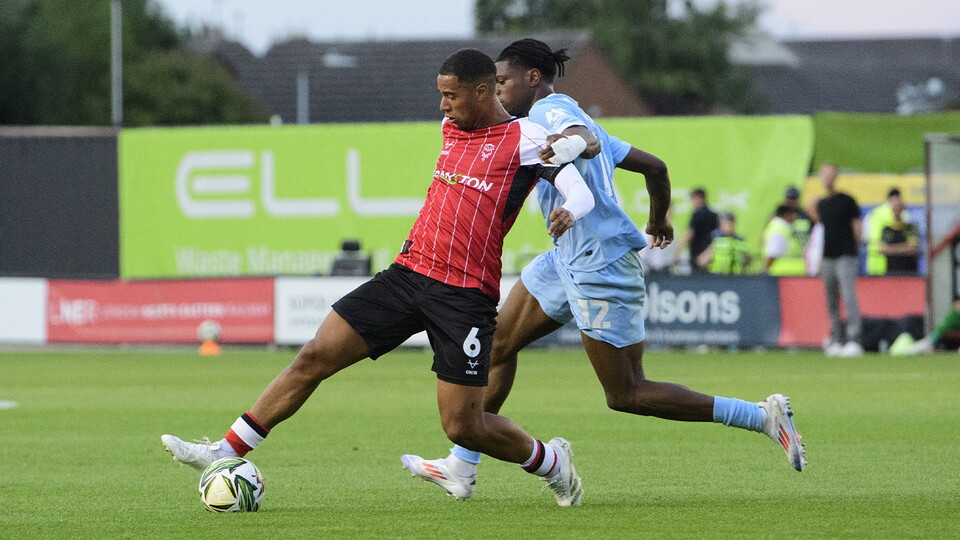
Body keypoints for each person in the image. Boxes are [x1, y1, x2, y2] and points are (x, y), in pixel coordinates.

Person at [160, 48, 597, 507]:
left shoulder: (526, 138)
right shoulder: (452, 129)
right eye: (441, 95)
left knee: (463, 426)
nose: (443, 106)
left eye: (451, 96)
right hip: (407, 274)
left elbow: (579, 181)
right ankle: (224, 450)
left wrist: (569, 207)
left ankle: (552, 462)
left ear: (482, 91)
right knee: (314, 356)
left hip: (463, 295)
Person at [399, 38, 806, 502]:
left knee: (627, 393)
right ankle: (462, 465)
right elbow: (656, 168)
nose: (497, 91)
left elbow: (584, 140)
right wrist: (657, 218)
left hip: (602, 264)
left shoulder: (551, 110)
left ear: (533, 78)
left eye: (503, 82)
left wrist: (575, 145)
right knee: (495, 348)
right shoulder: (552, 121)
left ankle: (760, 415)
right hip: (565, 257)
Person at [816, 163, 864, 357]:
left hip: (845, 254)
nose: (827, 178)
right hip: (828, 256)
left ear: (836, 176)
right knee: (831, 300)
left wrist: (856, 248)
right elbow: (823, 231)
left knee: (849, 296)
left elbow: (857, 226)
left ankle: (855, 339)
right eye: (824, 174)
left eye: (830, 174)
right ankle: (837, 338)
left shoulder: (847, 200)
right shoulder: (822, 204)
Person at [864, 188, 913, 275]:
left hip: (874, 259)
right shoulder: (904, 213)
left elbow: (865, 237)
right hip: (892, 263)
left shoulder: (874, 213)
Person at [676, 187, 719, 273]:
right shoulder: (714, 215)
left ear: (698, 198)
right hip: (711, 257)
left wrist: (677, 253)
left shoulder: (697, 214)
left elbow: (689, 233)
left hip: (698, 257)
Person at [878, 196, 919, 275]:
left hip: (909, 272)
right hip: (891, 271)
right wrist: (904, 247)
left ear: (903, 208)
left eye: (899, 206)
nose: (897, 209)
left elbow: (912, 249)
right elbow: (882, 249)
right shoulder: (886, 229)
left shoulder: (910, 228)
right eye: (894, 206)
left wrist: (891, 248)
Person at [763, 205, 806, 275]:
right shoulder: (778, 229)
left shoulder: (781, 227)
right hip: (783, 274)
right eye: (793, 215)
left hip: (785, 273)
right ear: (787, 215)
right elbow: (773, 253)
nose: (795, 218)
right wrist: (764, 270)